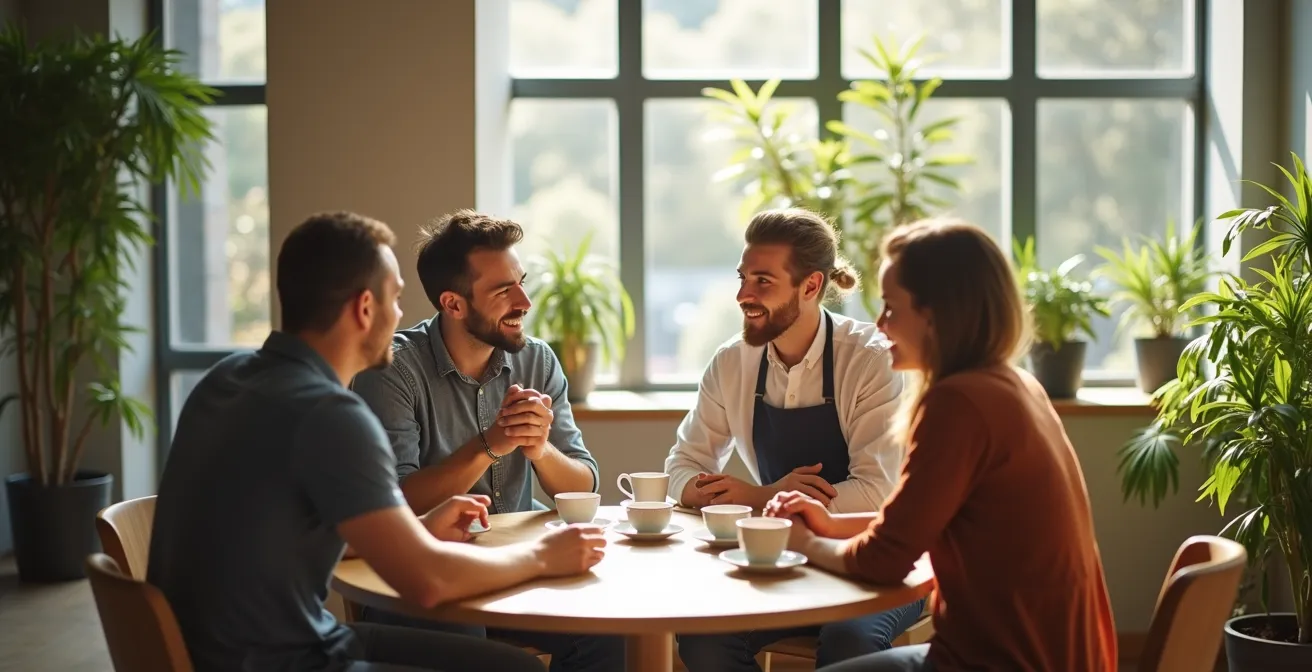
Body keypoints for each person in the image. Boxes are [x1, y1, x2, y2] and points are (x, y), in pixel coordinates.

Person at [147, 211, 608, 672]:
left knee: (512, 664)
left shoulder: (225, 379)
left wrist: (420, 529)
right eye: (397, 298)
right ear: (365, 309)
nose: (402, 315)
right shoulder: (328, 414)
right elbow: (429, 582)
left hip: (243, 645)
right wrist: (541, 557)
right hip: (278, 660)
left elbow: (279, 536)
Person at [765, 218, 1118, 672]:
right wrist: (830, 523)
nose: (880, 323)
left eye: (891, 307)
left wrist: (803, 542)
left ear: (935, 316)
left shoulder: (958, 404)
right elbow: (920, 521)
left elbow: (882, 562)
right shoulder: (1014, 384)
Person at [350, 209, 622, 670]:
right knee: (475, 645)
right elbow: (397, 503)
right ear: (454, 304)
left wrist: (539, 447)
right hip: (428, 568)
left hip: (521, 562)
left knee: (610, 629)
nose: (524, 302)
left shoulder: (537, 360)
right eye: (503, 291)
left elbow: (584, 487)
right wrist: (491, 443)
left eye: (521, 283)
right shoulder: (392, 370)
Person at [665, 207, 924, 671]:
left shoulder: (870, 360)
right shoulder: (731, 362)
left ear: (810, 286)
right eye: (742, 278)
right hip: (779, 554)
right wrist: (767, 495)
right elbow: (681, 468)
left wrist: (760, 499)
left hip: (875, 556)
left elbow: (876, 493)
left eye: (763, 281)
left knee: (849, 641)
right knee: (704, 638)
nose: (743, 295)